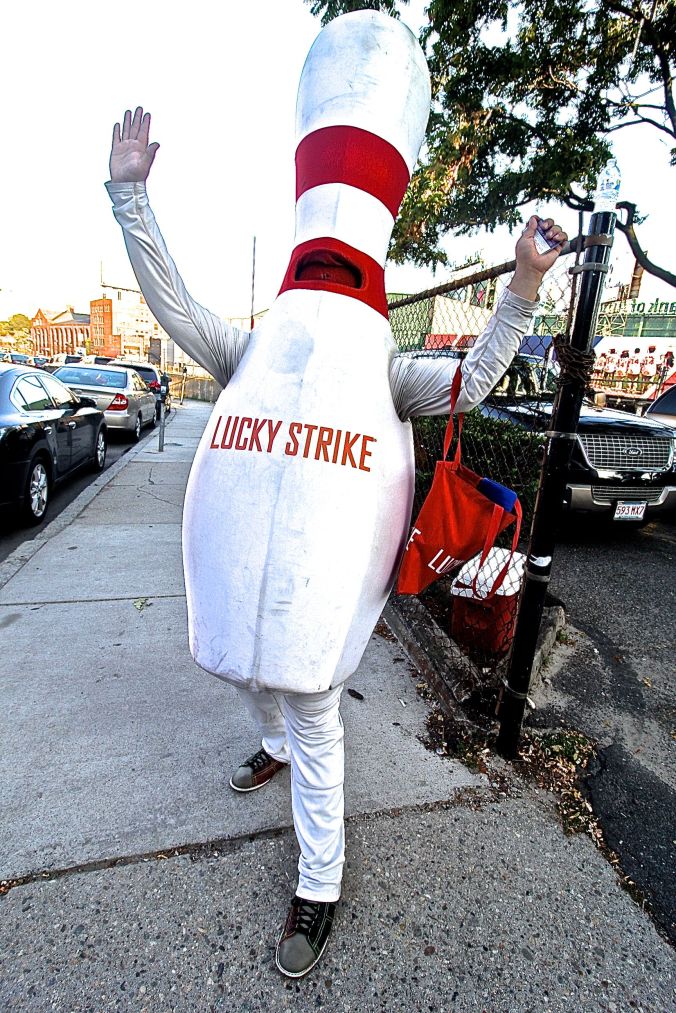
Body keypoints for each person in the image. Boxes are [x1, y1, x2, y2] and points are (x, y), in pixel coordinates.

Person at [106, 17, 566, 981]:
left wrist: (522, 284)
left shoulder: (388, 374)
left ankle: (320, 880)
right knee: (241, 666)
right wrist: (131, 198)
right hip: (244, 569)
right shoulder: (247, 352)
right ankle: (267, 741)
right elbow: (175, 305)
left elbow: (473, 381)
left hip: (321, 592)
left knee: (311, 700)